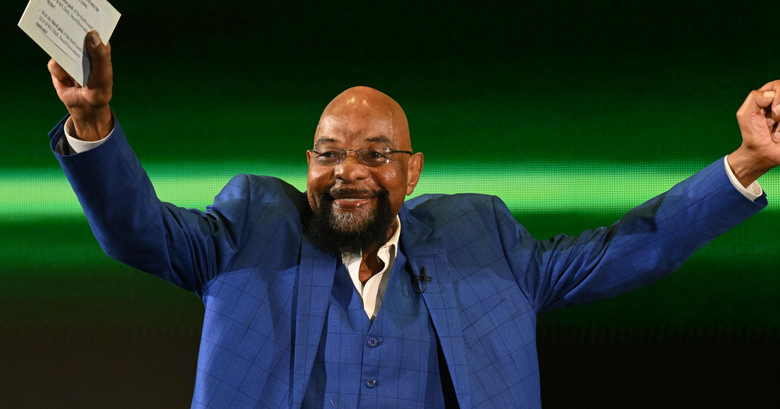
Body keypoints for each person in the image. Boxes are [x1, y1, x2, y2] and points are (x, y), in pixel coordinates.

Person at [47, 31, 779, 408]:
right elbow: (136, 229)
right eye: (329, 153)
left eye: (375, 153)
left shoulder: (482, 240)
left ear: (412, 170)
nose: (349, 171)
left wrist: (743, 162)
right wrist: (96, 124)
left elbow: (624, 252)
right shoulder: (248, 227)